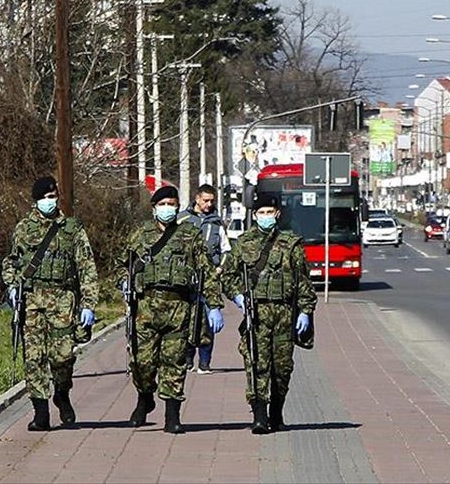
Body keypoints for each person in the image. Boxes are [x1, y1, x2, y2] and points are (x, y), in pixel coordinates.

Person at [118, 185, 225, 434]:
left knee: (174, 362)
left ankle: (172, 415)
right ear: (154, 208)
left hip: (178, 308)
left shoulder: (189, 235)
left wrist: (214, 305)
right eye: (163, 204)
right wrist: (124, 281)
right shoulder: (140, 234)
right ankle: (145, 397)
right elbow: (122, 265)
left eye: (172, 204)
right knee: (142, 363)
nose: (167, 209)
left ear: (178, 208)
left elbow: (206, 271)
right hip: (145, 309)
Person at [2, 176, 99, 431]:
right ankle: (41, 413)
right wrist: (11, 285)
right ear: (36, 201)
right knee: (34, 358)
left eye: (54, 197)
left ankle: (62, 393)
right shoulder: (24, 229)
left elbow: (86, 266)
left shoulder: (72, 229)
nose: (51, 201)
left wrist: (88, 303)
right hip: (32, 302)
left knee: (63, 357)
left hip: (62, 301)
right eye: (46, 198)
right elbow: (11, 261)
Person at [222, 193, 316, 434]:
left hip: (284, 313)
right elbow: (228, 276)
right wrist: (238, 296)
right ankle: (260, 416)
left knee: (282, 368)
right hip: (257, 313)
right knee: (257, 363)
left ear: (277, 214)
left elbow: (303, 280)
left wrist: (305, 310)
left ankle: (276, 412)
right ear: (254, 215)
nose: (266, 216)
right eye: (261, 213)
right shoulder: (243, 243)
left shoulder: (291, 243)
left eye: (269, 212)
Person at [178, 184, 232, 374]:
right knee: (186, 319)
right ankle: (187, 360)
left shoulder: (216, 223)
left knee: (208, 322)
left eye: (212, 201)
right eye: (205, 200)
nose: (209, 204)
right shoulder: (182, 219)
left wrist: (219, 268)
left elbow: (226, 250)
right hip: (186, 279)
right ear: (197, 199)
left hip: (210, 278)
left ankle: (205, 362)